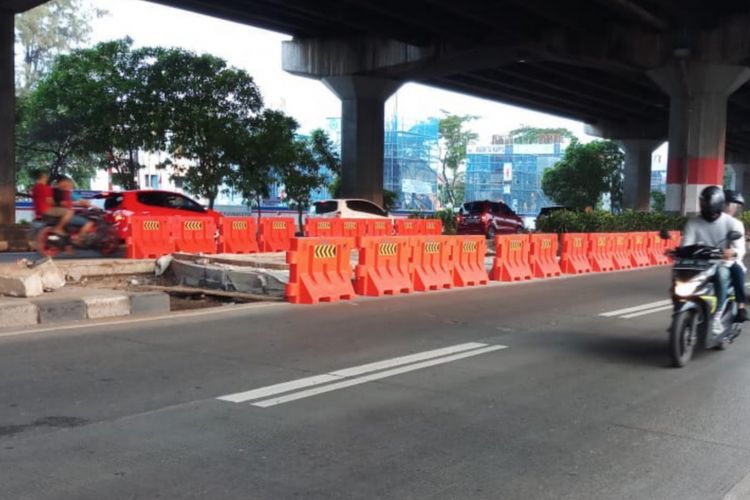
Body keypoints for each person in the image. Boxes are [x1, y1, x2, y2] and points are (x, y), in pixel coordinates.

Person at [681, 186, 741, 334]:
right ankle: (679, 309)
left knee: (722, 274)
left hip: (721, 264)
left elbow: (739, 250)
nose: (704, 206)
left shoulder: (732, 223)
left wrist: (732, 253)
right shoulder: (693, 222)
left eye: (707, 204)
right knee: (679, 275)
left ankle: (717, 317)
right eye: (702, 202)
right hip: (699, 265)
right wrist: (680, 251)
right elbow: (686, 245)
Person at [724, 189, 747, 322]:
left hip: (729, 260)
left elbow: (741, 249)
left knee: (737, 271)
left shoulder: (737, 224)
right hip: (707, 260)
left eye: (734, 205)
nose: (733, 208)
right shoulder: (707, 220)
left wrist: (733, 252)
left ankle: (741, 307)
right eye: (730, 204)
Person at [52, 176, 94, 244]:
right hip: (65, 216)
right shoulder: (67, 193)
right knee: (89, 223)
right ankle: (78, 240)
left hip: (58, 215)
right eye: (69, 184)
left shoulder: (56, 191)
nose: (70, 186)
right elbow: (81, 202)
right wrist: (92, 206)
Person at [30, 169, 69, 236]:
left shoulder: (34, 188)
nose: (47, 179)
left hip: (38, 212)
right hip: (47, 211)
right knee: (69, 212)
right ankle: (59, 228)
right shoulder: (46, 188)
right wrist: (60, 204)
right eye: (46, 177)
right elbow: (50, 202)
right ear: (43, 177)